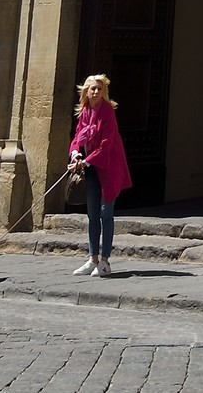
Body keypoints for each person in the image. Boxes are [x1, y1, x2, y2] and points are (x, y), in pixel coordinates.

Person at [69, 72, 131, 277]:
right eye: (93, 88)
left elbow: (106, 144)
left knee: (106, 214)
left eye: (100, 88)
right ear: (86, 91)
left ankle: (105, 261)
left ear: (104, 92)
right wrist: (76, 154)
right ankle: (92, 258)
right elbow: (77, 137)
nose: (96, 91)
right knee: (92, 214)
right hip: (92, 168)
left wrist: (86, 160)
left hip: (108, 168)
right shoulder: (85, 112)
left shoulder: (107, 112)